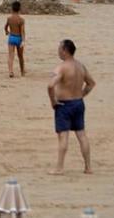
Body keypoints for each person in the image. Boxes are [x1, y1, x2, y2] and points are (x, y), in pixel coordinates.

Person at [48, 39, 94, 175]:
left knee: (63, 136)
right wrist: (81, 95)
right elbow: (91, 83)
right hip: (78, 103)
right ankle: (88, 167)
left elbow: (50, 85)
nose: (58, 51)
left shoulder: (61, 68)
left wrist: (52, 101)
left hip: (64, 104)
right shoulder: (80, 66)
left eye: (59, 48)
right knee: (81, 135)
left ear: (64, 51)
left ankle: (59, 167)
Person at [5, 0, 26, 77]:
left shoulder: (9, 18)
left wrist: (6, 32)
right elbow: (22, 31)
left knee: (11, 55)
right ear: (19, 9)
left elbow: (5, 27)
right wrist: (23, 41)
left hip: (12, 37)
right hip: (19, 38)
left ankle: (11, 71)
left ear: (12, 9)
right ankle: (22, 71)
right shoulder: (21, 20)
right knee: (20, 56)